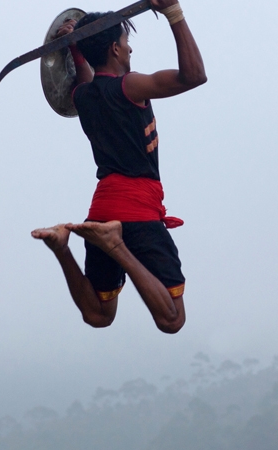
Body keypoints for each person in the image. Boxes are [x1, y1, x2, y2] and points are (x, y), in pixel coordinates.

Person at [31, 0, 206, 333]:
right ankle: (114, 244)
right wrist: (174, 13)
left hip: (101, 210)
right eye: (126, 44)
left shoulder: (83, 95)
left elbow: (85, 77)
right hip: (136, 210)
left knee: (99, 315)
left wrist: (76, 48)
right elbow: (194, 76)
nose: (129, 50)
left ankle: (60, 246)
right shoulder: (131, 87)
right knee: (172, 320)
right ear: (114, 48)